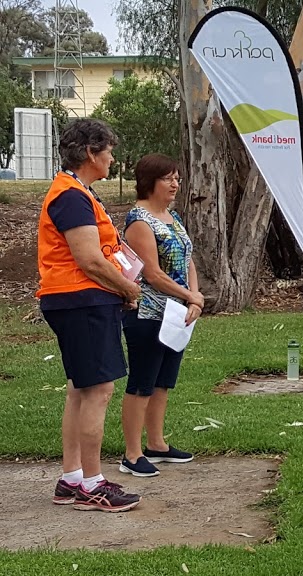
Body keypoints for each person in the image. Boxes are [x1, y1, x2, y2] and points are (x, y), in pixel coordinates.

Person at [37, 118, 143, 512]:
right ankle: (92, 485)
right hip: (82, 300)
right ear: (89, 154)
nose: (113, 159)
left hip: (77, 300)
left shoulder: (78, 192)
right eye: (109, 151)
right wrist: (127, 287)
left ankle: (72, 478)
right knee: (99, 390)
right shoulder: (71, 196)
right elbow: (88, 259)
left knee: (80, 389)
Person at [119, 154, 201, 477]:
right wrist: (189, 296)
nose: (175, 184)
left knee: (163, 381)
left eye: (177, 178)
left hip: (176, 313)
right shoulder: (140, 221)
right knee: (142, 381)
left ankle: (157, 443)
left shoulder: (172, 216)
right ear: (150, 181)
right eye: (169, 178)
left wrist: (194, 297)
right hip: (148, 313)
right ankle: (132, 453)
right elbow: (151, 274)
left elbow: (188, 258)